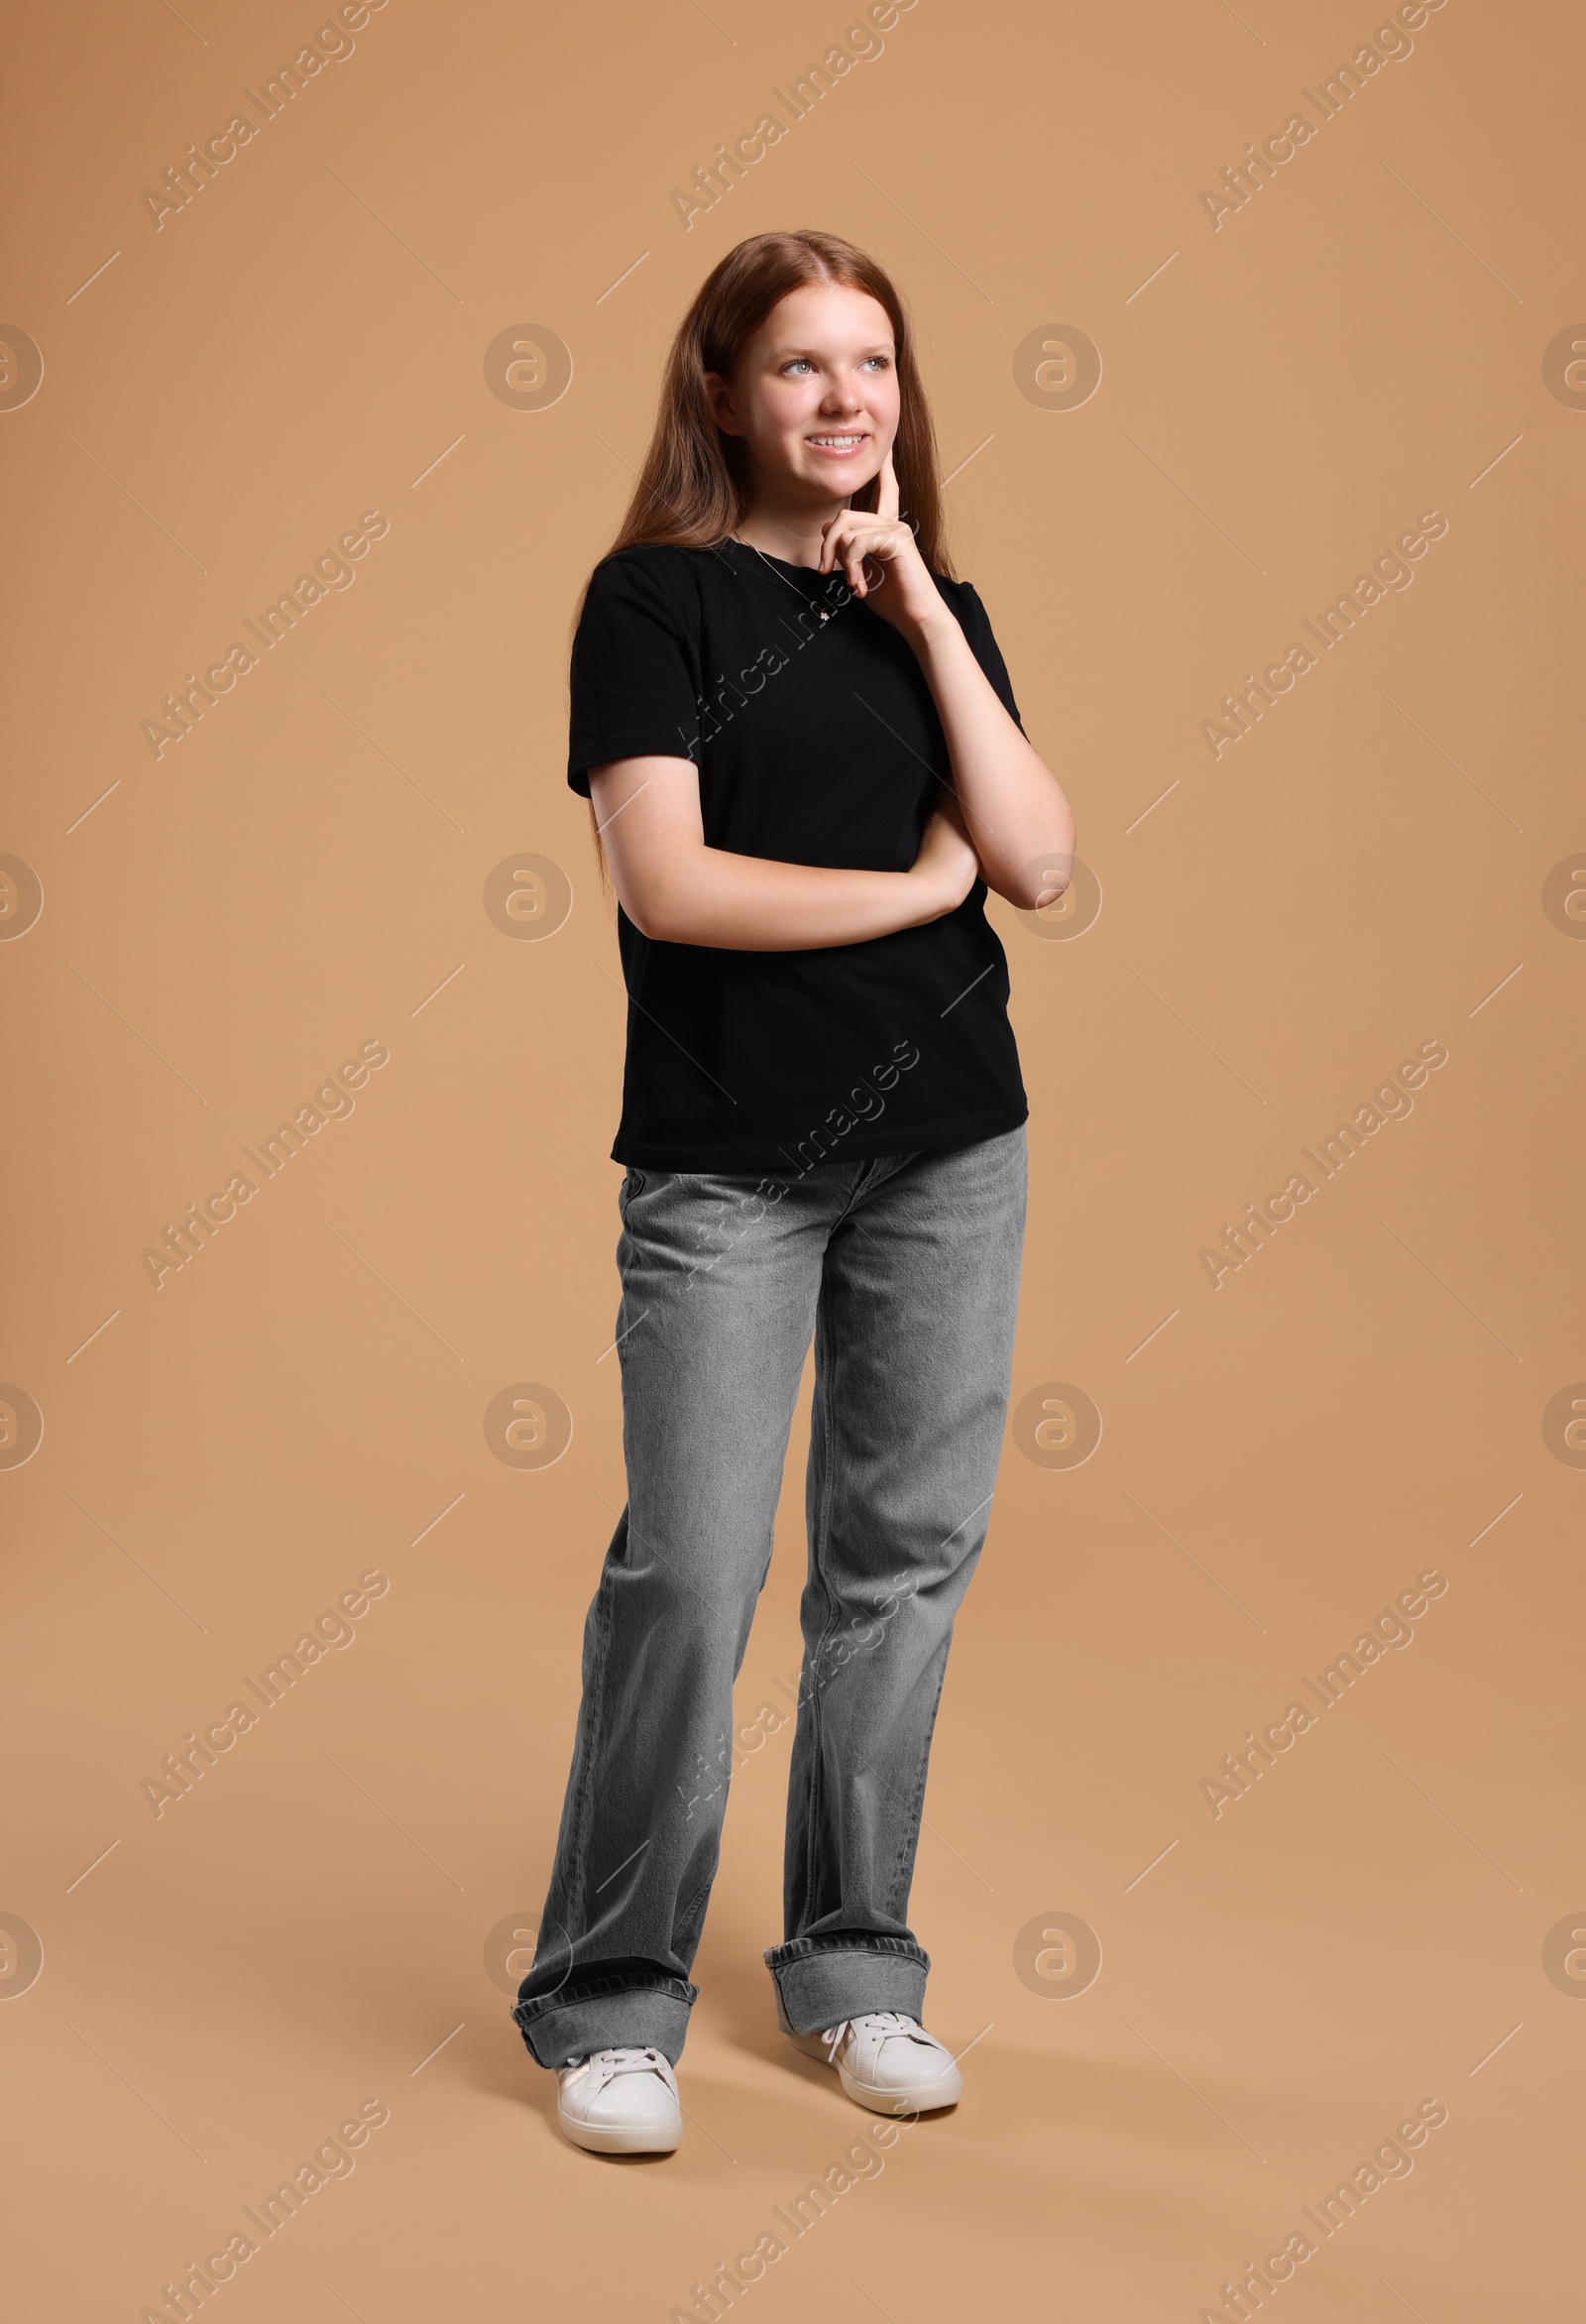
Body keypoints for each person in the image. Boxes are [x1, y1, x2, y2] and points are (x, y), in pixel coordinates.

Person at [512, 228, 1076, 2155]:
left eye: (874, 366)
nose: (846, 401)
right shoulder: (646, 600)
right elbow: (669, 886)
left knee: (895, 1570)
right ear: (724, 392)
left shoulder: (942, 605)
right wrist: (919, 898)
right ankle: (607, 1999)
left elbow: (1038, 853)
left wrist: (920, 607)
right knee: (687, 1563)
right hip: (728, 1159)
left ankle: (852, 1967)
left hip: (951, 1148)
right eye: (802, 366)